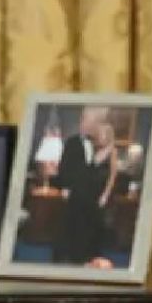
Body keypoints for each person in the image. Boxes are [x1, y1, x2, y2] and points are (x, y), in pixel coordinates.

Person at [54, 107, 112, 264]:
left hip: (94, 197)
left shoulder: (100, 145)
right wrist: (65, 187)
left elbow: (108, 175)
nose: (84, 124)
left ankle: (90, 260)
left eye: (89, 121)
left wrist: (104, 193)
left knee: (92, 232)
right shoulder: (72, 143)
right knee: (73, 231)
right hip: (77, 195)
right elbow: (66, 170)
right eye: (83, 120)